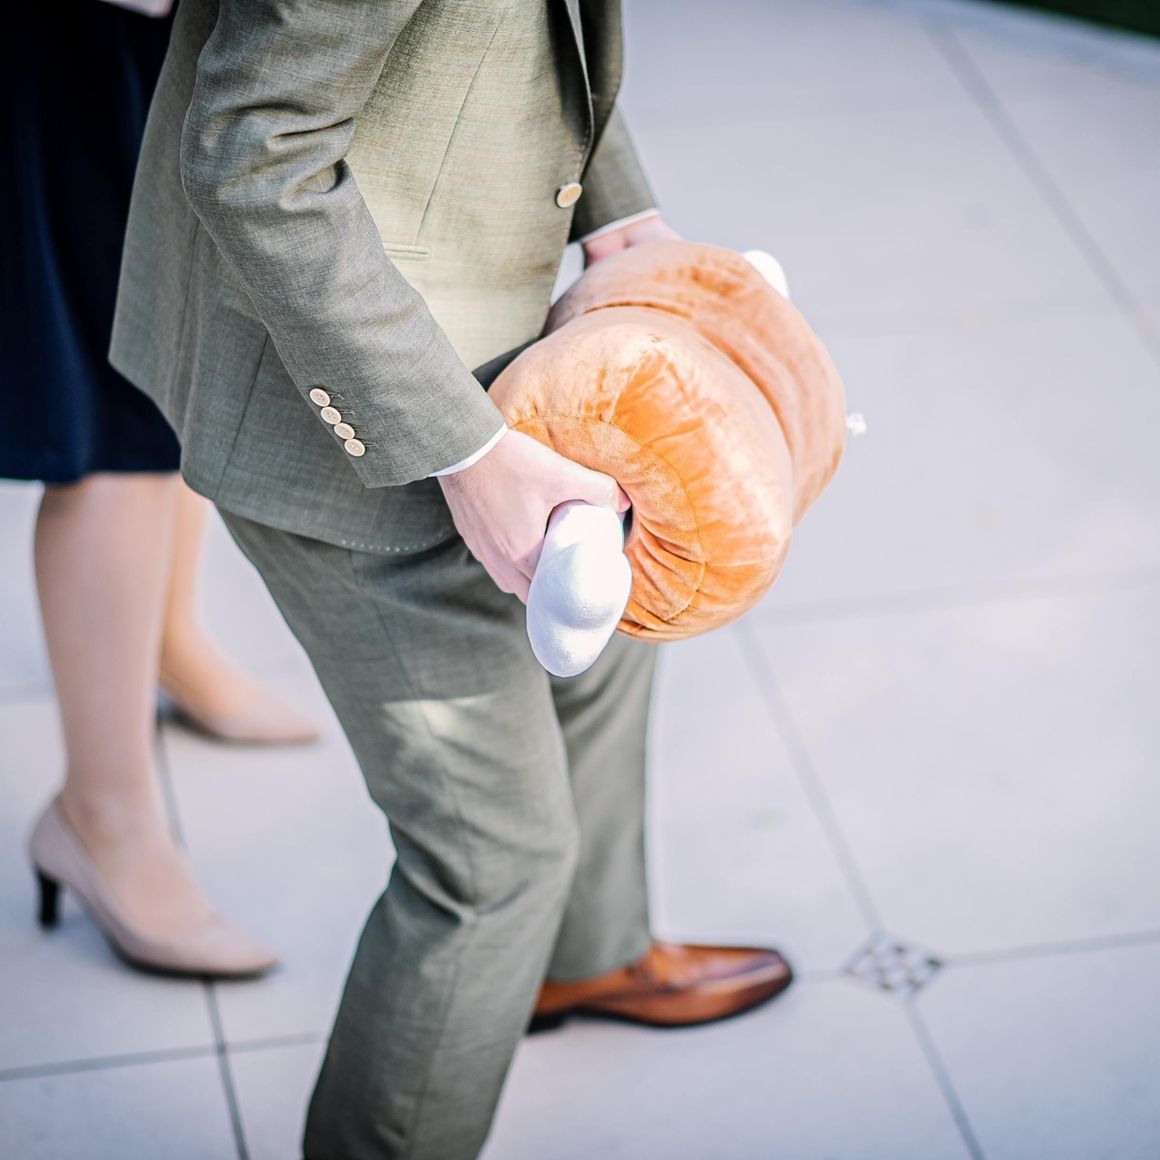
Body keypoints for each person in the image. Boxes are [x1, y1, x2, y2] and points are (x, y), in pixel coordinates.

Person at [113, 0, 794, 1154]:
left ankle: (581, 958)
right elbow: (253, 149)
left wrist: (621, 218)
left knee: (610, 641)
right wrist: (462, 451)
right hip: (338, 401)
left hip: (500, 329)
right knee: (489, 859)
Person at [2, 1, 319, 979]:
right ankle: (100, 815)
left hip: (155, 31)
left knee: (178, 343)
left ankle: (170, 645)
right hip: (68, 35)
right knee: (113, 412)